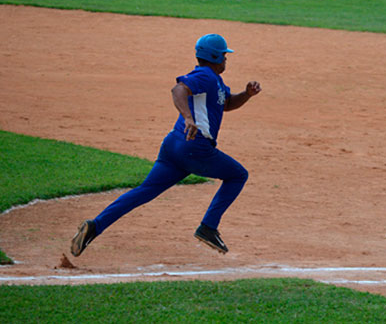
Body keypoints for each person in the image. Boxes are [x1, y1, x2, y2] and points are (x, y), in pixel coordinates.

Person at [71, 34, 261, 256]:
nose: (226, 60)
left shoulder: (215, 81)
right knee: (238, 175)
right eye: (224, 56)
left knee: (144, 191)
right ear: (215, 57)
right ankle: (208, 227)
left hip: (174, 146)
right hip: (195, 148)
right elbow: (178, 90)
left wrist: (246, 95)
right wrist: (188, 117)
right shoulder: (205, 76)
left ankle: (95, 226)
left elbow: (226, 103)